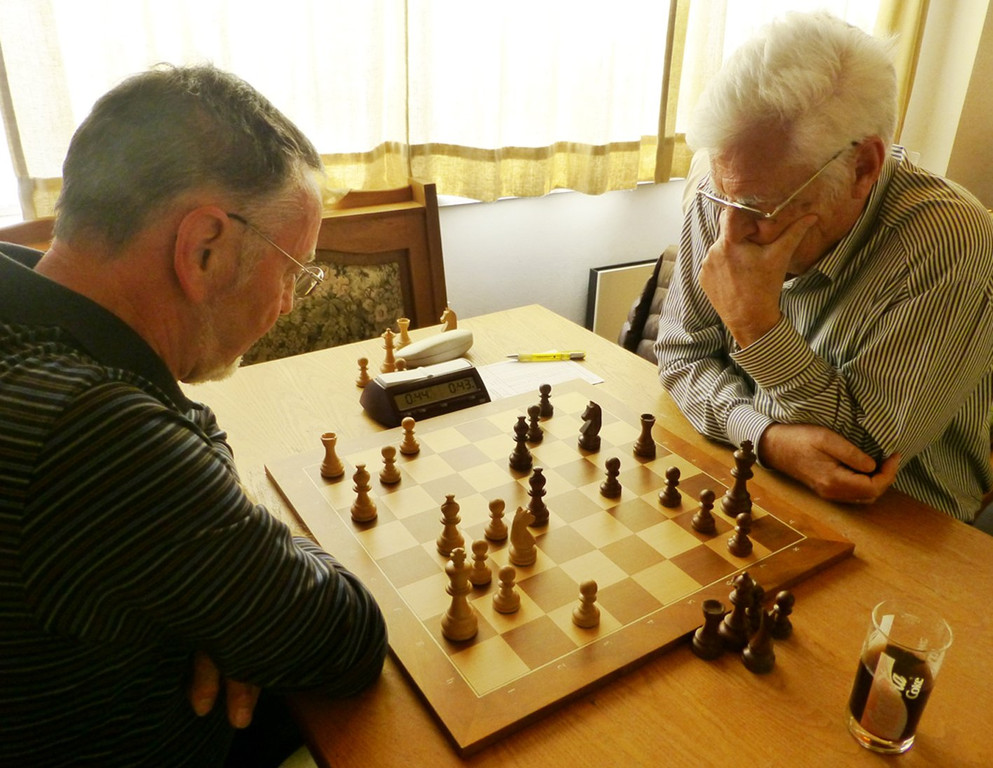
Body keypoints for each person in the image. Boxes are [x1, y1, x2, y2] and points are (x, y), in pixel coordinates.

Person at [0, 65, 387, 765]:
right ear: (204, 248)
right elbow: (345, 639)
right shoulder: (99, 435)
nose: (288, 303)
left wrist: (221, 598)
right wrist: (242, 610)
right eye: (291, 270)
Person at [655, 11, 993, 524]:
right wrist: (766, 439)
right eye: (723, 195)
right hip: (745, 470)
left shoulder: (951, 239)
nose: (730, 230)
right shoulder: (731, 187)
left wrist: (756, 326)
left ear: (863, 168)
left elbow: (861, 456)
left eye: (761, 208)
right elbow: (681, 354)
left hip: (903, 519)